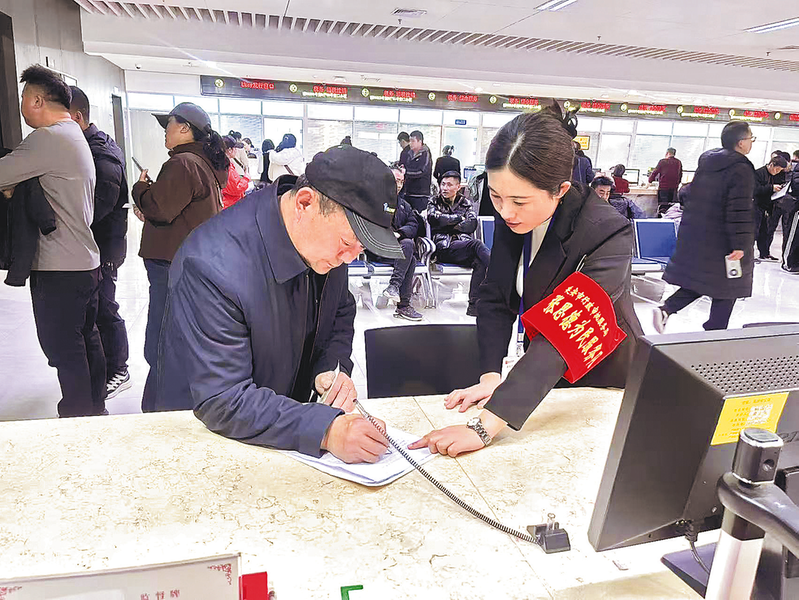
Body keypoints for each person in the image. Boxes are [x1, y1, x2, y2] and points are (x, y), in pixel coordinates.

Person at [409, 110, 642, 457]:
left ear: (561, 190)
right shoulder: (514, 214)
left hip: (600, 379)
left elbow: (565, 332)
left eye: (519, 201)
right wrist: (491, 376)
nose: (506, 212)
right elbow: (496, 297)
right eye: (496, 196)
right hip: (537, 373)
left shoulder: (606, 232)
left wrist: (485, 426)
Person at [156, 146, 405, 463]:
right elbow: (222, 399)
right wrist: (326, 430)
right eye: (346, 243)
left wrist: (330, 367)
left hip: (278, 427)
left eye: (360, 249)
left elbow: (340, 312)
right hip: (201, 441)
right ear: (305, 203)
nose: (348, 258)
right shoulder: (212, 264)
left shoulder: (328, 243)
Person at [0, 65, 105, 417]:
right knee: (86, 340)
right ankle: (95, 411)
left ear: (36, 101)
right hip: (84, 261)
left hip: (59, 267)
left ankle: (77, 420)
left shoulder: (47, 138)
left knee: (64, 350)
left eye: (23, 98)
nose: (21, 105)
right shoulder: (73, 133)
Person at [133, 102, 229, 413]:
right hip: (186, 263)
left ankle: (159, 410)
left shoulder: (183, 163)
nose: (166, 131)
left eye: (169, 125)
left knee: (161, 341)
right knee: (172, 338)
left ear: (185, 128)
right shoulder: (201, 163)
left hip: (171, 264)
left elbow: (161, 209)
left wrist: (141, 189)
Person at [653, 121, 756, 333]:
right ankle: (714, 333)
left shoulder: (708, 163)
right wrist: (740, 244)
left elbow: (688, 194)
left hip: (702, 234)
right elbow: (738, 210)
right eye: (751, 139)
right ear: (740, 142)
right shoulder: (741, 168)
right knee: (729, 287)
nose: (751, 143)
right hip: (725, 241)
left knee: (705, 282)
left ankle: (668, 309)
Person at [68, 86, 131, 399]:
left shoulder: (101, 155)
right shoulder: (89, 146)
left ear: (77, 118)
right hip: (97, 245)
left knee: (106, 308)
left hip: (104, 246)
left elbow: (96, 209)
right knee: (97, 308)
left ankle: (119, 369)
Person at [427, 170, 489, 317]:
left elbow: (471, 224)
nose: (444, 188)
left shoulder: (465, 203)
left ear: (458, 187)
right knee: (477, 244)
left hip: (462, 247)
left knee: (479, 262)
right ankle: (498, 273)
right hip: (444, 247)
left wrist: (448, 223)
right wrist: (459, 219)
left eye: (449, 185)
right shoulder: (434, 201)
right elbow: (434, 219)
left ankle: (473, 306)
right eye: (443, 184)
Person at [376, 167, 422, 321]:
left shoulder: (404, 205)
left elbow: (413, 225)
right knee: (409, 253)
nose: (399, 185)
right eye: (396, 181)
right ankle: (403, 305)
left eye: (401, 181)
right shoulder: (374, 202)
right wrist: (389, 235)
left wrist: (399, 233)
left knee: (408, 250)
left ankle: (394, 288)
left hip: (397, 250)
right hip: (378, 247)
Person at [753, 156, 787, 261]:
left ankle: (764, 253)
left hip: (767, 207)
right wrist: (771, 188)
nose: (777, 172)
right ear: (771, 164)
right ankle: (749, 254)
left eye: (780, 170)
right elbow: (755, 190)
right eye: (777, 169)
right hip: (756, 206)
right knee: (754, 231)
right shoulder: (758, 173)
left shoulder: (774, 176)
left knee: (765, 231)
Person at [404, 130, 433, 212]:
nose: (410, 143)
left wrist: (406, 173)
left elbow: (422, 171)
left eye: (413, 141)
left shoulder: (425, 153)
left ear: (420, 142)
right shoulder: (409, 153)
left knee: (418, 217)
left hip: (421, 194)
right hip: (408, 192)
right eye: (410, 141)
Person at [649, 148, 683, 215]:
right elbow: (680, 174)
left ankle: (661, 218)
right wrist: (677, 184)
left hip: (664, 188)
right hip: (674, 189)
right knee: (671, 207)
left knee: (663, 207)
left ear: (667, 153)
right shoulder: (678, 162)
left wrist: (649, 182)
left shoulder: (663, 161)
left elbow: (655, 172)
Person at [222, 135, 251, 209]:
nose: (236, 150)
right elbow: (236, 189)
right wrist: (246, 178)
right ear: (229, 150)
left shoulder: (224, 164)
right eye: (235, 148)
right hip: (230, 206)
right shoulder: (226, 167)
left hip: (229, 204)